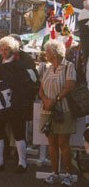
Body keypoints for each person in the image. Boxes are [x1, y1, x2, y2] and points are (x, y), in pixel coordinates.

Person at [0, 36, 31, 174]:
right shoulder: (0, 62)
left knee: (18, 132)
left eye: (7, 49)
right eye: (2, 49)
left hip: (15, 103)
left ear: (12, 49)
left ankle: (22, 163)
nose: (4, 52)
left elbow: (24, 83)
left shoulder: (20, 64)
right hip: (0, 103)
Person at [39, 40, 76, 187]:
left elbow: (70, 86)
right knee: (52, 143)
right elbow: (40, 89)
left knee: (63, 143)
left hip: (64, 110)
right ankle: (55, 173)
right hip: (48, 110)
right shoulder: (48, 69)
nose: (45, 54)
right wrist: (45, 99)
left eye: (47, 51)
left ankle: (68, 174)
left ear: (54, 53)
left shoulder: (68, 66)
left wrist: (54, 100)